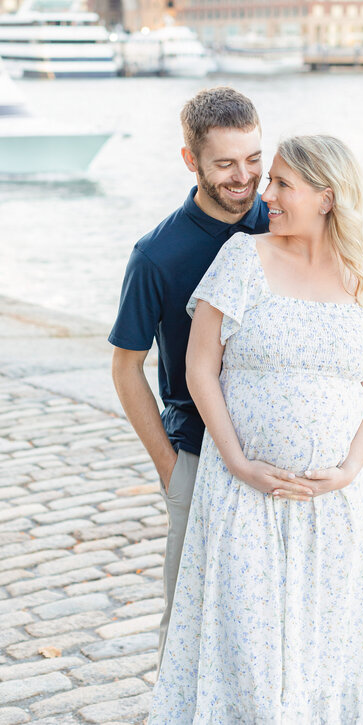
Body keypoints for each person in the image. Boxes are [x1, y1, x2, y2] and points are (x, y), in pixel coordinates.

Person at [148, 134, 363, 723]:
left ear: (327, 196)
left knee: (328, 647)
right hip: (243, 494)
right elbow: (199, 366)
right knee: (246, 649)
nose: (267, 194)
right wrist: (235, 461)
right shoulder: (242, 258)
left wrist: (347, 471)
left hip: (335, 505)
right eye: (271, 181)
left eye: (283, 183)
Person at [109, 87, 301, 665]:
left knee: (284, 616)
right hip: (197, 456)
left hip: (284, 457)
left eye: (253, 160)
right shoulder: (156, 256)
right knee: (192, 623)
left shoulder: (285, 223)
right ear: (191, 160)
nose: (243, 178)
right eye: (224, 164)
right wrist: (171, 469)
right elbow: (125, 368)